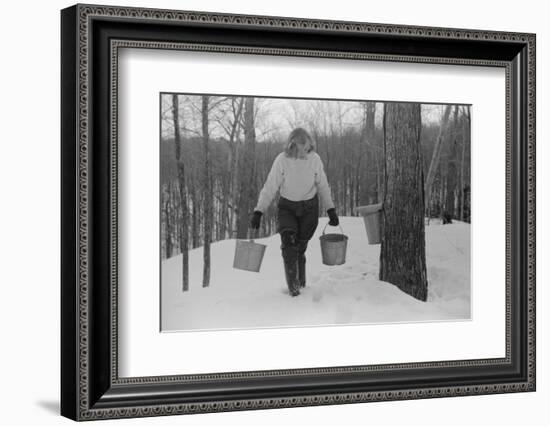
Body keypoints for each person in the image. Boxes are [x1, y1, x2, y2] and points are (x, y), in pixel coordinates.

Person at [250, 127, 339, 297]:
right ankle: (294, 290)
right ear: (292, 147)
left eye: (308, 148)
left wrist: (331, 209)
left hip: (309, 209)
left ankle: (301, 283)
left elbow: (323, 185)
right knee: (289, 245)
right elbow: (270, 186)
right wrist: (258, 211)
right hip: (287, 208)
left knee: (300, 247)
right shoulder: (282, 160)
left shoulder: (314, 159)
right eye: (303, 148)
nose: (307, 151)